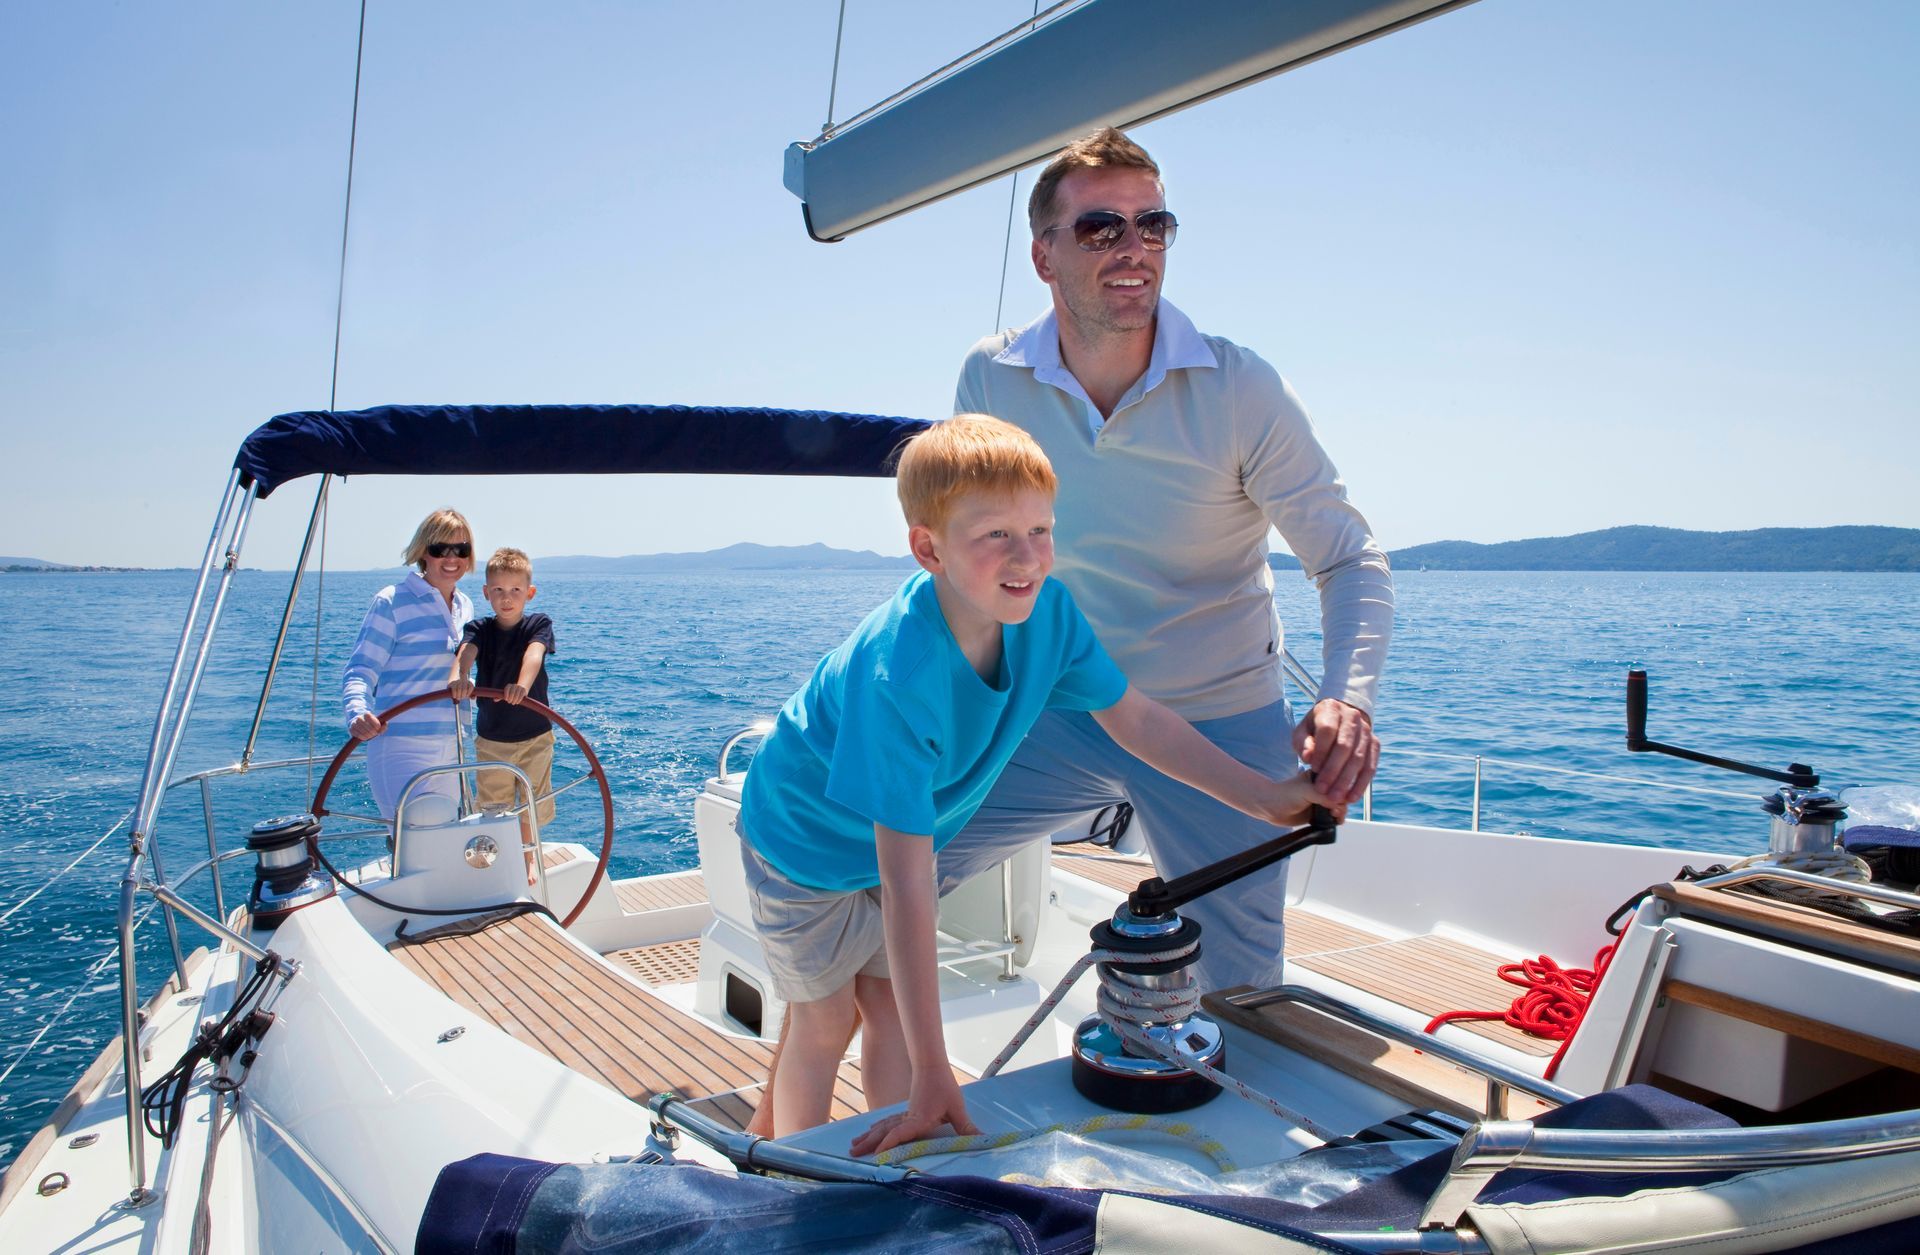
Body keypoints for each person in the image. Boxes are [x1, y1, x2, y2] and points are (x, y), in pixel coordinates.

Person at [737, 415, 1338, 1153]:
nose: (1027, 557)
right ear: (930, 548)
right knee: (826, 1019)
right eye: (995, 535)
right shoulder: (901, 673)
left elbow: (1139, 720)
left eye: (1041, 530)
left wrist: (1262, 795)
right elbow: (907, 879)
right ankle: (799, 1179)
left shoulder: (1048, 614)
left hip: (874, 853)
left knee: (888, 1009)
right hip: (803, 848)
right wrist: (937, 1070)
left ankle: (901, 1159)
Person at [939, 127, 1397, 994]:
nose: (1134, 248)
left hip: (1219, 719)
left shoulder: (1240, 388)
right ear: (1044, 255)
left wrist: (1346, 698)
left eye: (1154, 225)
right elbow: (970, 564)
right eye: (1101, 228)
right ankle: (880, 1082)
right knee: (880, 861)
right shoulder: (990, 380)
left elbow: (1347, 556)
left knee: (1243, 998)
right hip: (1058, 710)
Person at [343, 508, 476, 820]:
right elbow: (360, 668)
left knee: (447, 844)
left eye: (461, 549)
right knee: (414, 847)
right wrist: (357, 712)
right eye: (440, 548)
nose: (451, 557)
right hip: (402, 745)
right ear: (423, 551)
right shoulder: (392, 601)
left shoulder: (464, 606)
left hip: (453, 744)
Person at [448, 547, 557, 881]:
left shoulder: (539, 624)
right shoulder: (478, 628)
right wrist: (458, 677)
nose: (506, 598)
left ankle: (526, 858)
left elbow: (534, 655)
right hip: (492, 737)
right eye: (498, 590)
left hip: (535, 735)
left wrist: (521, 686)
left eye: (515, 591)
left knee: (531, 801)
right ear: (486, 593)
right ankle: (497, 860)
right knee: (493, 805)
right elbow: (466, 654)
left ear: (529, 593)